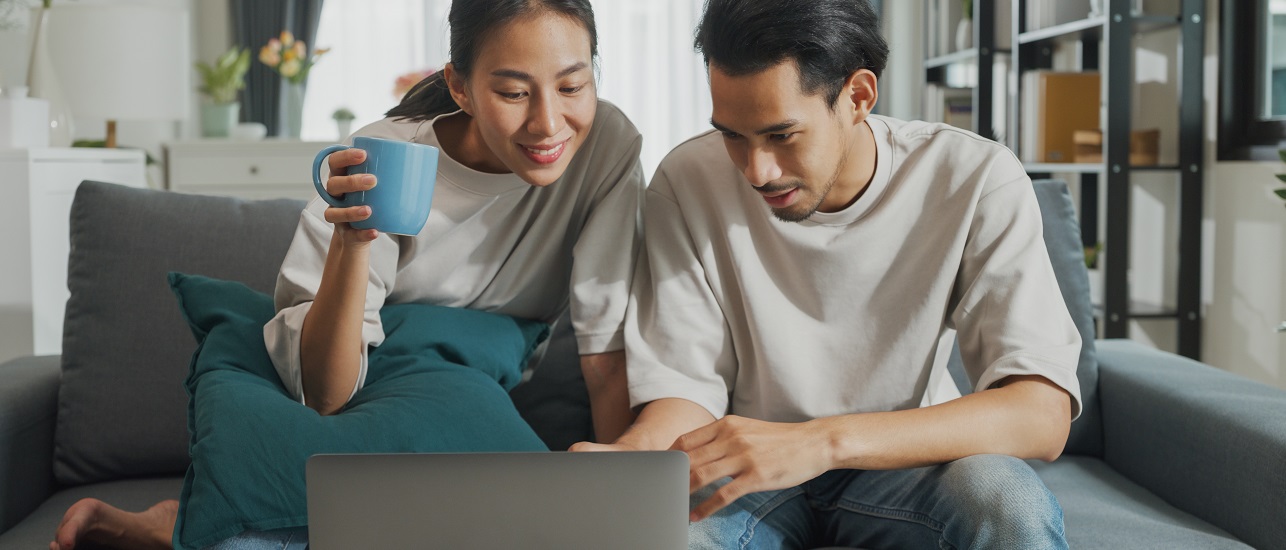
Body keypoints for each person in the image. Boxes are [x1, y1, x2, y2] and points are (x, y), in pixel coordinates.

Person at [51, 1, 642, 549]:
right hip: (354, 365)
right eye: (513, 92)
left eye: (572, 85)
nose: (548, 123)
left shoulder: (604, 145)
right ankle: (186, 525)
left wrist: (622, 502)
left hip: (474, 371)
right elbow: (327, 393)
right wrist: (354, 239)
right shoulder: (383, 157)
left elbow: (604, 338)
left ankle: (175, 525)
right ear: (460, 86)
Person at [572, 0, 1083, 548]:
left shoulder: (974, 178)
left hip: (905, 464)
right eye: (733, 135)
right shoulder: (686, 182)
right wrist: (633, 454)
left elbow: (1041, 413)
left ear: (858, 96)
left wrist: (820, 443)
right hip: (748, 479)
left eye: (782, 135)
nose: (755, 171)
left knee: (1011, 506)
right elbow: (684, 389)